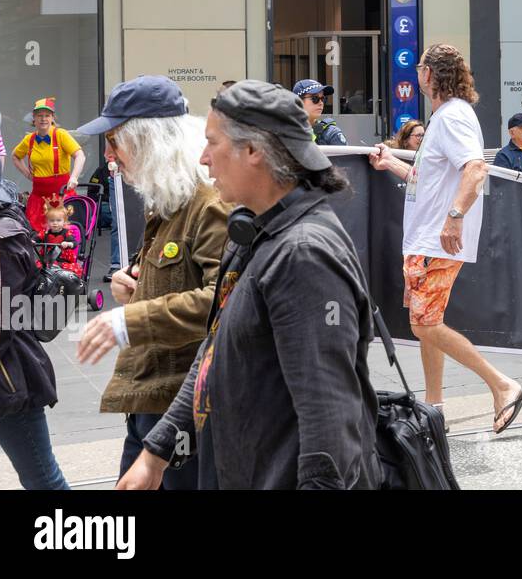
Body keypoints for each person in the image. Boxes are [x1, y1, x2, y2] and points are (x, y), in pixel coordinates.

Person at [118, 80, 379, 489]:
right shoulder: (257, 234)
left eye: (212, 143)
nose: (203, 159)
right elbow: (213, 353)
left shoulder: (303, 254)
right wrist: (157, 452)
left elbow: (329, 415)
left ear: (254, 151)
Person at [70, 76, 229, 490]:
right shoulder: (171, 200)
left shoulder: (207, 204)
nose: (109, 155)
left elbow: (223, 301)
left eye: (115, 141)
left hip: (182, 407)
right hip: (154, 399)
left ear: (148, 141)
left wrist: (128, 320)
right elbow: (169, 280)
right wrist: (132, 286)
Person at [369, 45, 522, 435]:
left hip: (433, 241)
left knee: (424, 325)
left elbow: (475, 169)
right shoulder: (448, 116)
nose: (418, 72)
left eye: (422, 66)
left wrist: (454, 218)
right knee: (428, 322)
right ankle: (435, 405)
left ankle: (502, 384)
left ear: (431, 75)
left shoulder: (452, 116)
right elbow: (431, 180)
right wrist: (392, 162)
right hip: (427, 239)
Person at [0, 149, 69, 489]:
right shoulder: (3, 229)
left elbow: (0, 321)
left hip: (10, 375)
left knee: (42, 478)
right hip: (9, 370)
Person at [11, 97, 84, 233]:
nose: (43, 119)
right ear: (34, 119)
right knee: (36, 237)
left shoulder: (61, 135)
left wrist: (74, 177)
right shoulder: (30, 139)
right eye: (39, 116)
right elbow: (15, 156)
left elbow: (80, 155)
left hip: (61, 196)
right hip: (38, 198)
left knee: (62, 236)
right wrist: (27, 174)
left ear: (52, 118)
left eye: (47, 115)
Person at [291, 79, 347, 146]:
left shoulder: (330, 133)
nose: (321, 103)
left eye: (323, 99)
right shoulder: (282, 132)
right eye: (315, 98)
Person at [35, 196, 81, 274]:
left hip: (62, 260)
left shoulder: (66, 232)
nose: (55, 223)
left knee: (72, 270)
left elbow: (74, 242)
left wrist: (68, 243)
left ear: (64, 221)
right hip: (47, 260)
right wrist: (33, 241)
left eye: (58, 220)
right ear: (47, 221)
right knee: (35, 267)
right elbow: (37, 237)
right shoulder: (46, 232)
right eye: (52, 220)